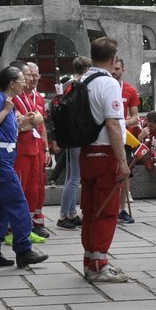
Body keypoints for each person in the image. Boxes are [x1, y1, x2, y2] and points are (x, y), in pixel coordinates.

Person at [0, 65, 49, 270]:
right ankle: (23, 249)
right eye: (21, 80)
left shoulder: (6, 101)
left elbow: (5, 128)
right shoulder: (0, 100)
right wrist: (7, 111)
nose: (24, 83)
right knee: (18, 201)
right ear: (11, 83)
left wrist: (21, 120)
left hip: (2, 156)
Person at [77, 37, 130, 283]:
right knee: (107, 209)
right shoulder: (109, 84)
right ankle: (100, 264)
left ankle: (90, 259)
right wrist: (122, 160)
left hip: (87, 151)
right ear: (113, 58)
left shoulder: (83, 80)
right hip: (106, 153)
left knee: (90, 208)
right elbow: (112, 123)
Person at [11, 61, 51, 241]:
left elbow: (39, 123)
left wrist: (46, 147)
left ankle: (29, 225)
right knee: (21, 188)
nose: (30, 78)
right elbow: (21, 124)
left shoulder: (31, 97)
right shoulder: (13, 98)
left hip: (36, 148)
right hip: (21, 149)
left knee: (35, 188)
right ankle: (14, 229)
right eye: (26, 75)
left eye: (32, 74)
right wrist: (31, 121)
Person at [54, 57, 91, 230]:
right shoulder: (80, 86)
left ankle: (71, 213)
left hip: (67, 134)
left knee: (71, 175)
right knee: (74, 178)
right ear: (87, 69)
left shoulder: (67, 84)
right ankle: (63, 216)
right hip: (76, 134)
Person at [111, 57, 140, 224]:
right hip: (105, 137)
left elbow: (135, 117)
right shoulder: (105, 86)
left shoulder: (129, 90)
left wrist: (121, 124)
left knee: (124, 173)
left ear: (123, 70)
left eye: (117, 69)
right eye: (112, 68)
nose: (114, 72)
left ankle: (122, 209)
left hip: (123, 137)